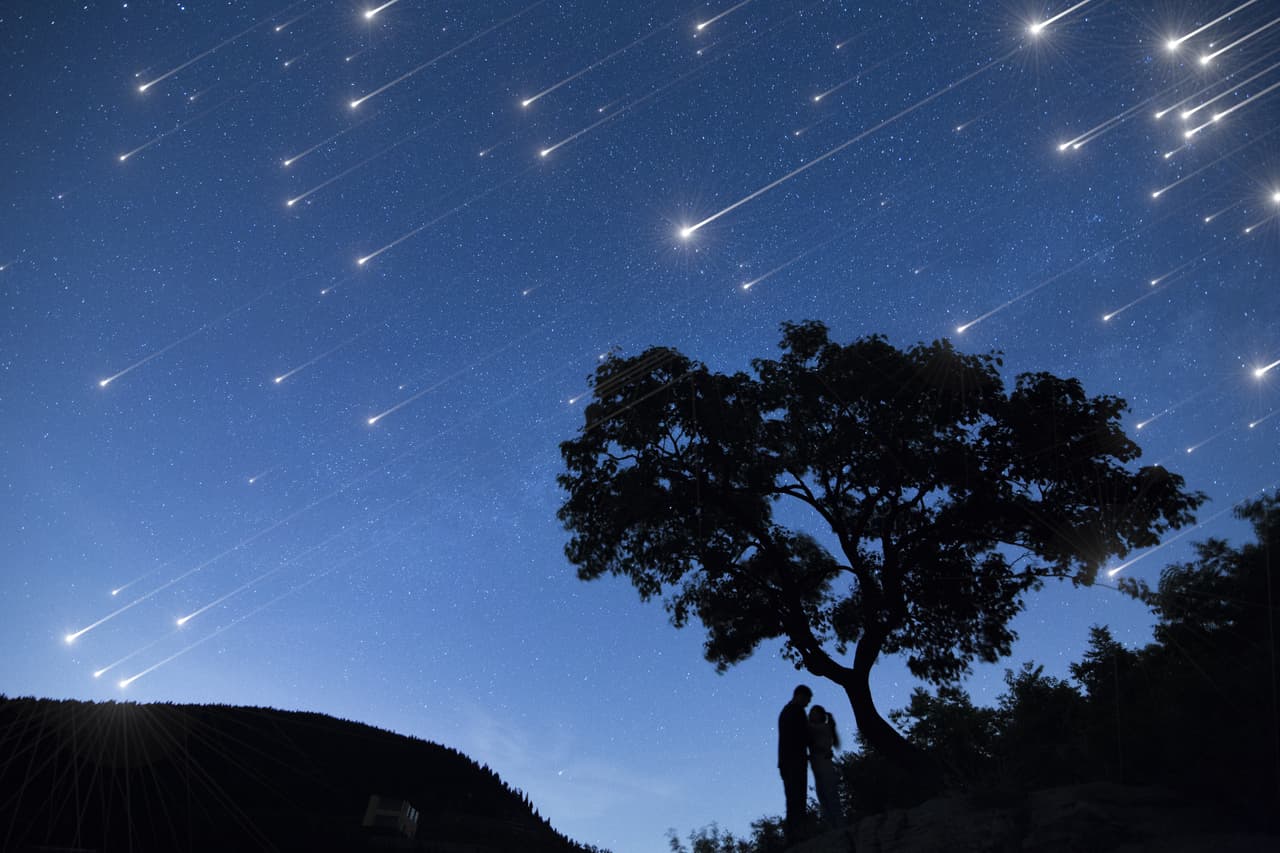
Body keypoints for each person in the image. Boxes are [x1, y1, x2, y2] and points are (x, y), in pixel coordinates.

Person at [778, 684, 812, 844]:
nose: (807, 704)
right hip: (795, 760)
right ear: (800, 695)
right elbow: (802, 735)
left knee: (792, 799)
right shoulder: (796, 711)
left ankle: (792, 836)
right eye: (807, 700)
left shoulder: (786, 711)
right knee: (797, 798)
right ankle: (797, 835)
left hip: (786, 761)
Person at [807, 705, 843, 829]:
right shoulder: (822, 728)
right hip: (819, 766)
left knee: (830, 796)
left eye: (813, 712)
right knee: (824, 797)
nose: (810, 714)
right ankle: (834, 826)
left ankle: (839, 826)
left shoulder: (822, 728)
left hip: (824, 765)